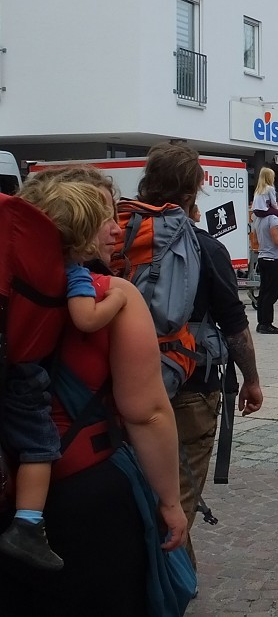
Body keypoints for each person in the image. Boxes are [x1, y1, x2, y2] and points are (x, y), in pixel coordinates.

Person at [1, 166, 188, 615]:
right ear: (77, 225)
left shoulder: (12, 290)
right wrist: (171, 501)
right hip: (85, 489)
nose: (116, 227)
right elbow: (148, 413)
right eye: (106, 215)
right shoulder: (111, 294)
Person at [138, 142, 264, 570]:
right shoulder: (206, 249)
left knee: (142, 489)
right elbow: (234, 327)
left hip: (128, 387)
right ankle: (166, 591)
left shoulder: (122, 239)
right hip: (193, 386)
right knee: (180, 499)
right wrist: (252, 379)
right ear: (193, 191)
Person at [0, 181, 127, 571]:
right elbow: (85, 319)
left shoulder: (14, 251)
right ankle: (27, 525)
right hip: (19, 372)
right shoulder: (72, 271)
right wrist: (120, 298)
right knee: (39, 445)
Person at [254, 198, 278, 335]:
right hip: (273, 258)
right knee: (272, 292)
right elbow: (277, 240)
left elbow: (254, 238)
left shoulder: (258, 219)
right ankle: (266, 323)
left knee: (264, 291)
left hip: (263, 256)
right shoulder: (273, 218)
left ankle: (261, 322)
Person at [251, 166, 278, 231]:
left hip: (256, 211)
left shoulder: (258, 189)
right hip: (263, 210)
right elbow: (274, 203)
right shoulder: (270, 188)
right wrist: (277, 211)